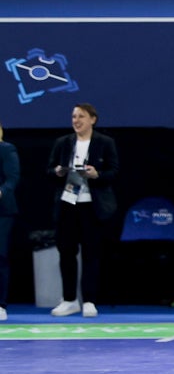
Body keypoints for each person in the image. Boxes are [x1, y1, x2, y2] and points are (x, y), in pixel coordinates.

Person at [47, 103, 118, 319]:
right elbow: (49, 170)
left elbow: (114, 171)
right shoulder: (63, 143)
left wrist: (97, 174)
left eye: (81, 116)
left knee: (91, 253)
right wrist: (58, 171)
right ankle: (69, 299)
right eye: (73, 116)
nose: (76, 120)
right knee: (66, 252)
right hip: (68, 203)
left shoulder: (105, 143)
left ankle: (89, 300)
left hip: (92, 204)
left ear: (93, 119)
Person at [0, 119, 16, 322]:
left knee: (0, 257)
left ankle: (1, 304)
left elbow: (13, 177)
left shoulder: (6, 149)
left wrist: (2, 191)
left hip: (2, 211)